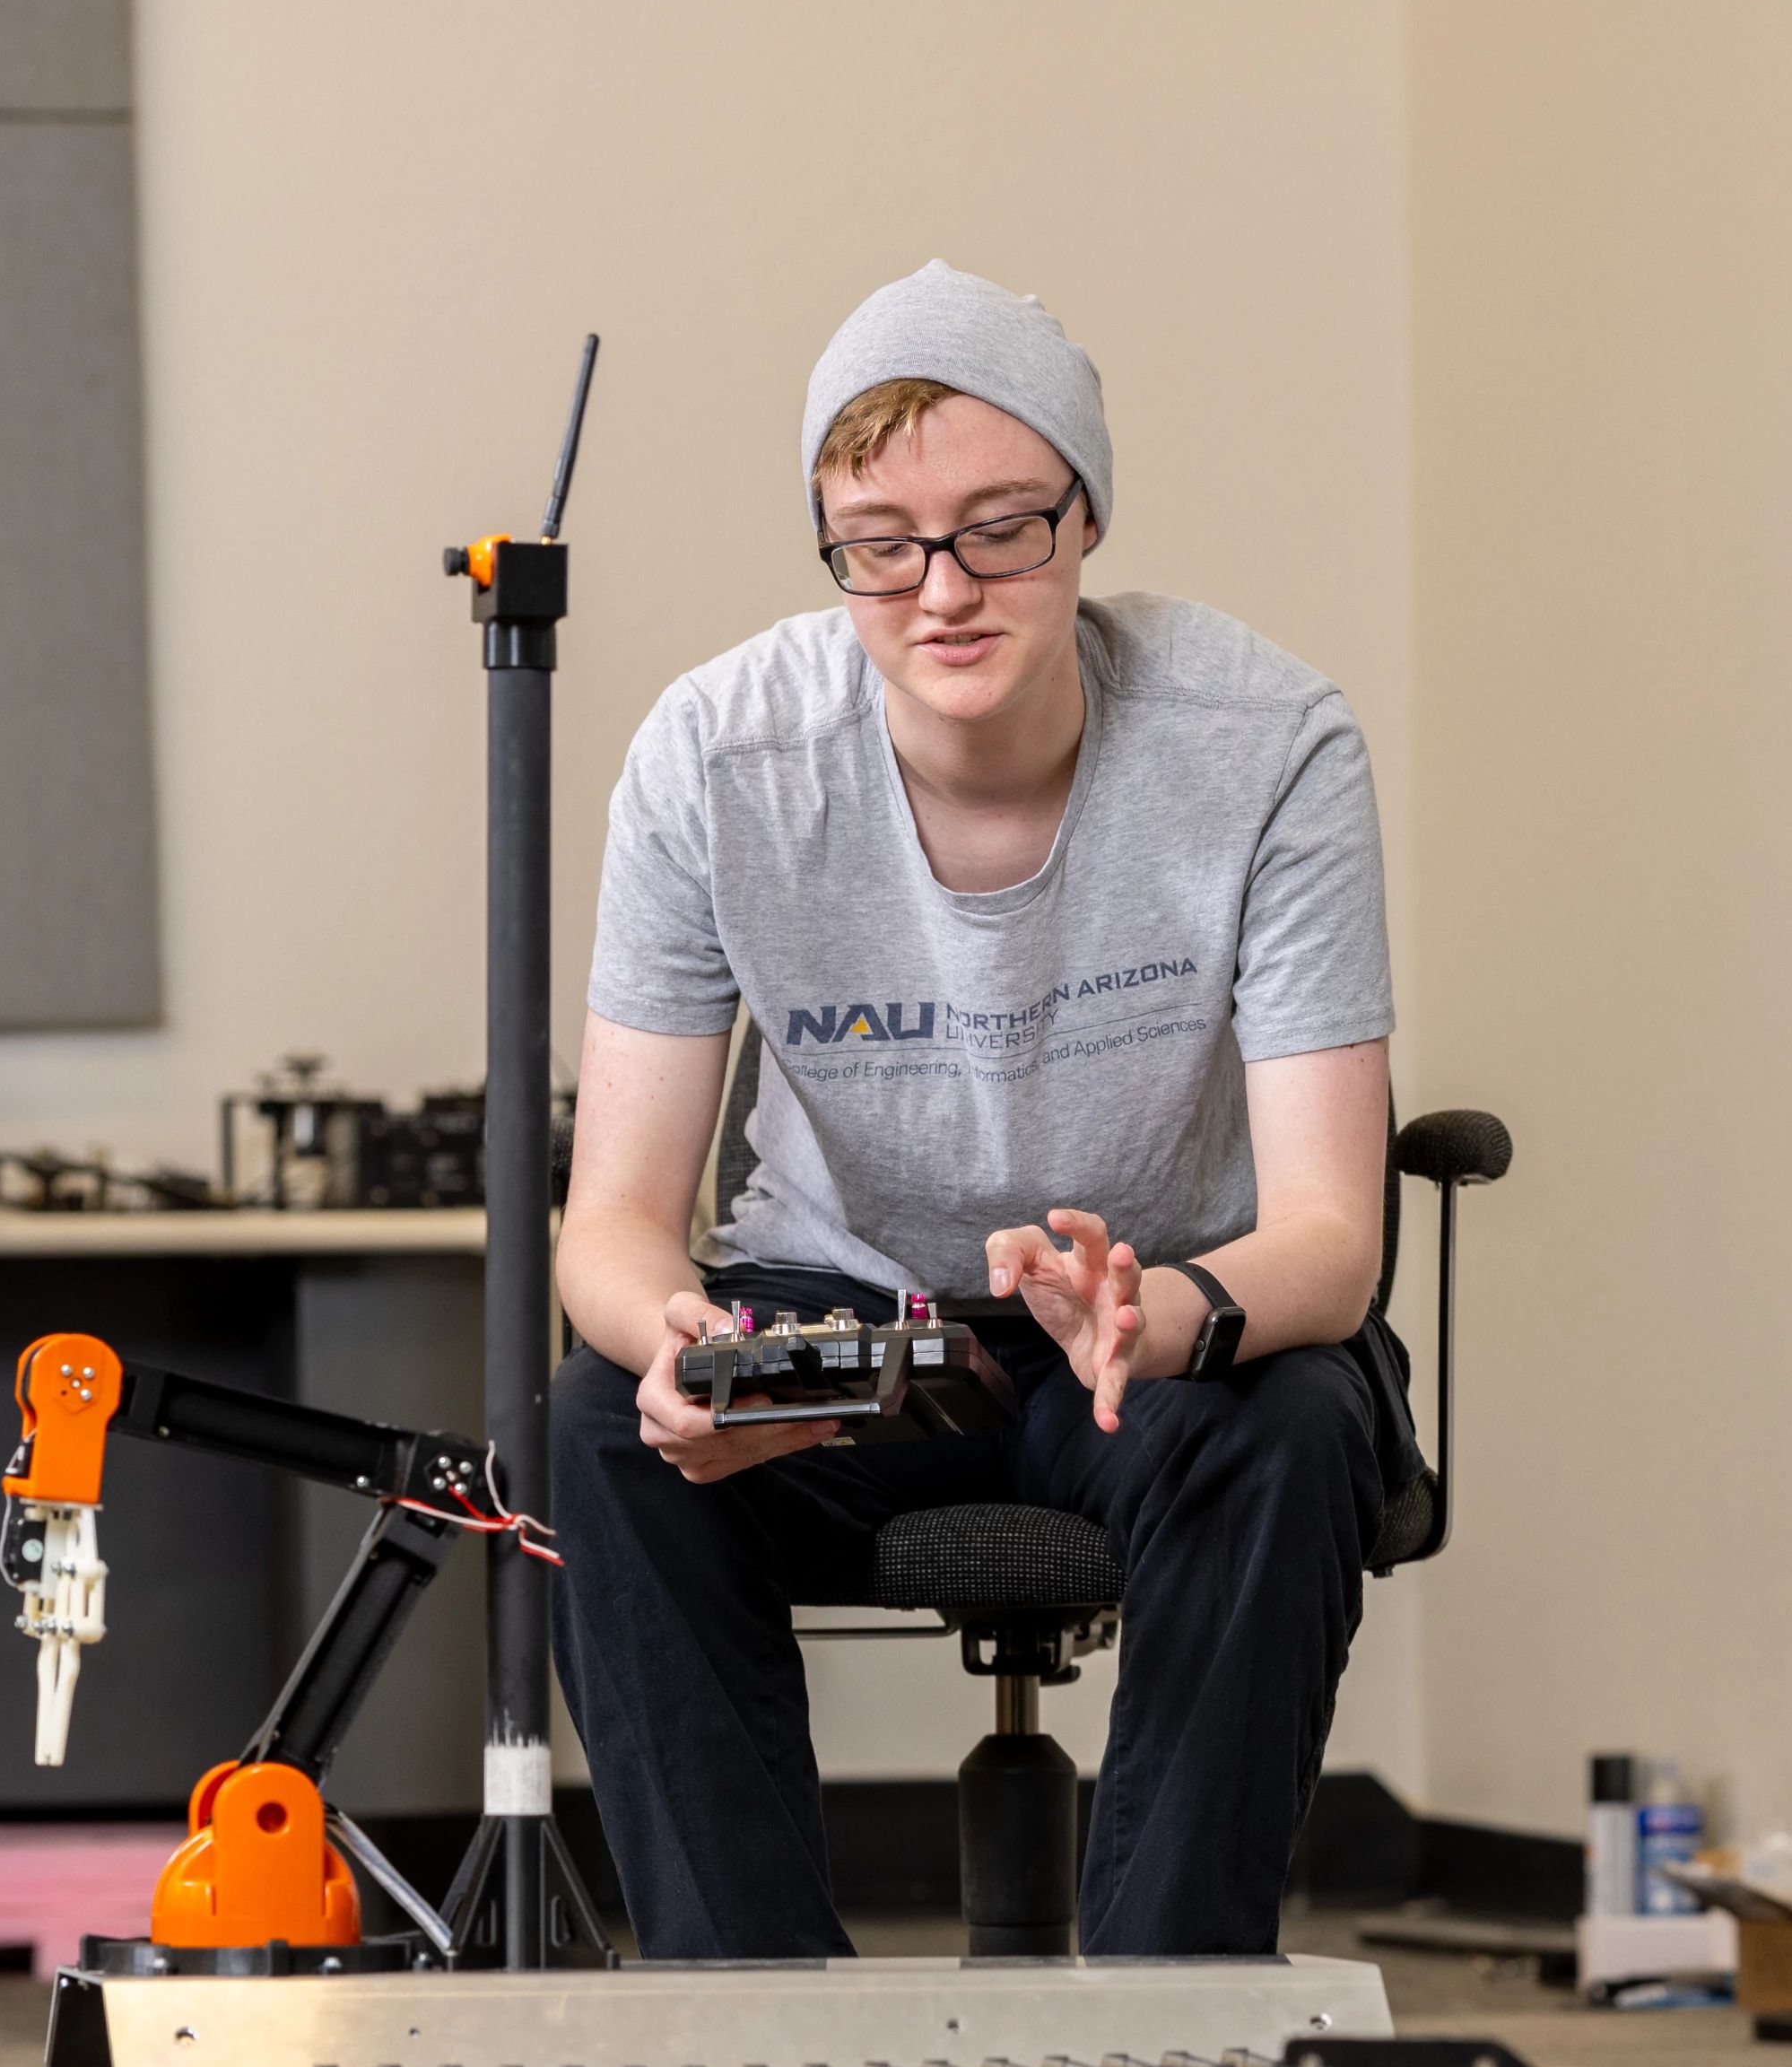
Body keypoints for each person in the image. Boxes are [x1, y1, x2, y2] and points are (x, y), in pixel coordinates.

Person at [550, 261, 1398, 1958]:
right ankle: (771, 2061)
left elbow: (1332, 1237)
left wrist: (1161, 1315)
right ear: (833, 545)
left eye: (1002, 526)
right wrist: (684, 1348)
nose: (942, 587)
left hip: (1165, 1312)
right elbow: (616, 1223)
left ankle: (1161, 2046)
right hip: (847, 1327)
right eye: (881, 539)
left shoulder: (1270, 743)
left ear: (1086, 520)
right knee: (598, 1434)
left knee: (1302, 1428)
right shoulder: (716, 759)